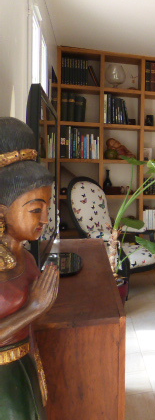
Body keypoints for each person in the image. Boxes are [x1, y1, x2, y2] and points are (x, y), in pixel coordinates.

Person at [0, 117, 59, 419]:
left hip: (25, 365)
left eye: (48, 208)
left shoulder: (28, 257)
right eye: (36, 209)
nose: (45, 219)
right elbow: (33, 310)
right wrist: (34, 308)